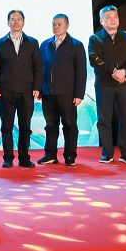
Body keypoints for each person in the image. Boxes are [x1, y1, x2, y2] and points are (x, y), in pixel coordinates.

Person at [0, 10, 43, 168]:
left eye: (19, 19)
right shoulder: (0, 43)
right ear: (8, 23)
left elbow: (38, 67)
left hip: (27, 91)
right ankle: (8, 158)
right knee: (6, 127)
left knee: (25, 127)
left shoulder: (32, 42)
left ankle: (24, 158)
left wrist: (37, 87)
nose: (16, 22)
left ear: (23, 22)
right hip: (6, 92)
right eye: (12, 19)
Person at [88, 5, 126, 164]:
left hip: (125, 83)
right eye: (108, 17)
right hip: (104, 85)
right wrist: (113, 71)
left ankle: (125, 153)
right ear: (101, 21)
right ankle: (107, 153)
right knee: (104, 119)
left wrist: (124, 72)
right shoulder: (95, 39)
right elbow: (94, 59)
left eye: (114, 17)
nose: (112, 20)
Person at [38, 14, 87, 167]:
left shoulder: (76, 45)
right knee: (50, 126)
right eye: (54, 24)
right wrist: (39, 89)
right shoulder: (45, 45)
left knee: (70, 125)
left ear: (67, 26)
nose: (56, 27)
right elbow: (39, 70)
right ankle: (50, 155)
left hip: (68, 94)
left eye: (59, 24)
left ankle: (70, 156)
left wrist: (79, 94)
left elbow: (81, 72)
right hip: (48, 94)